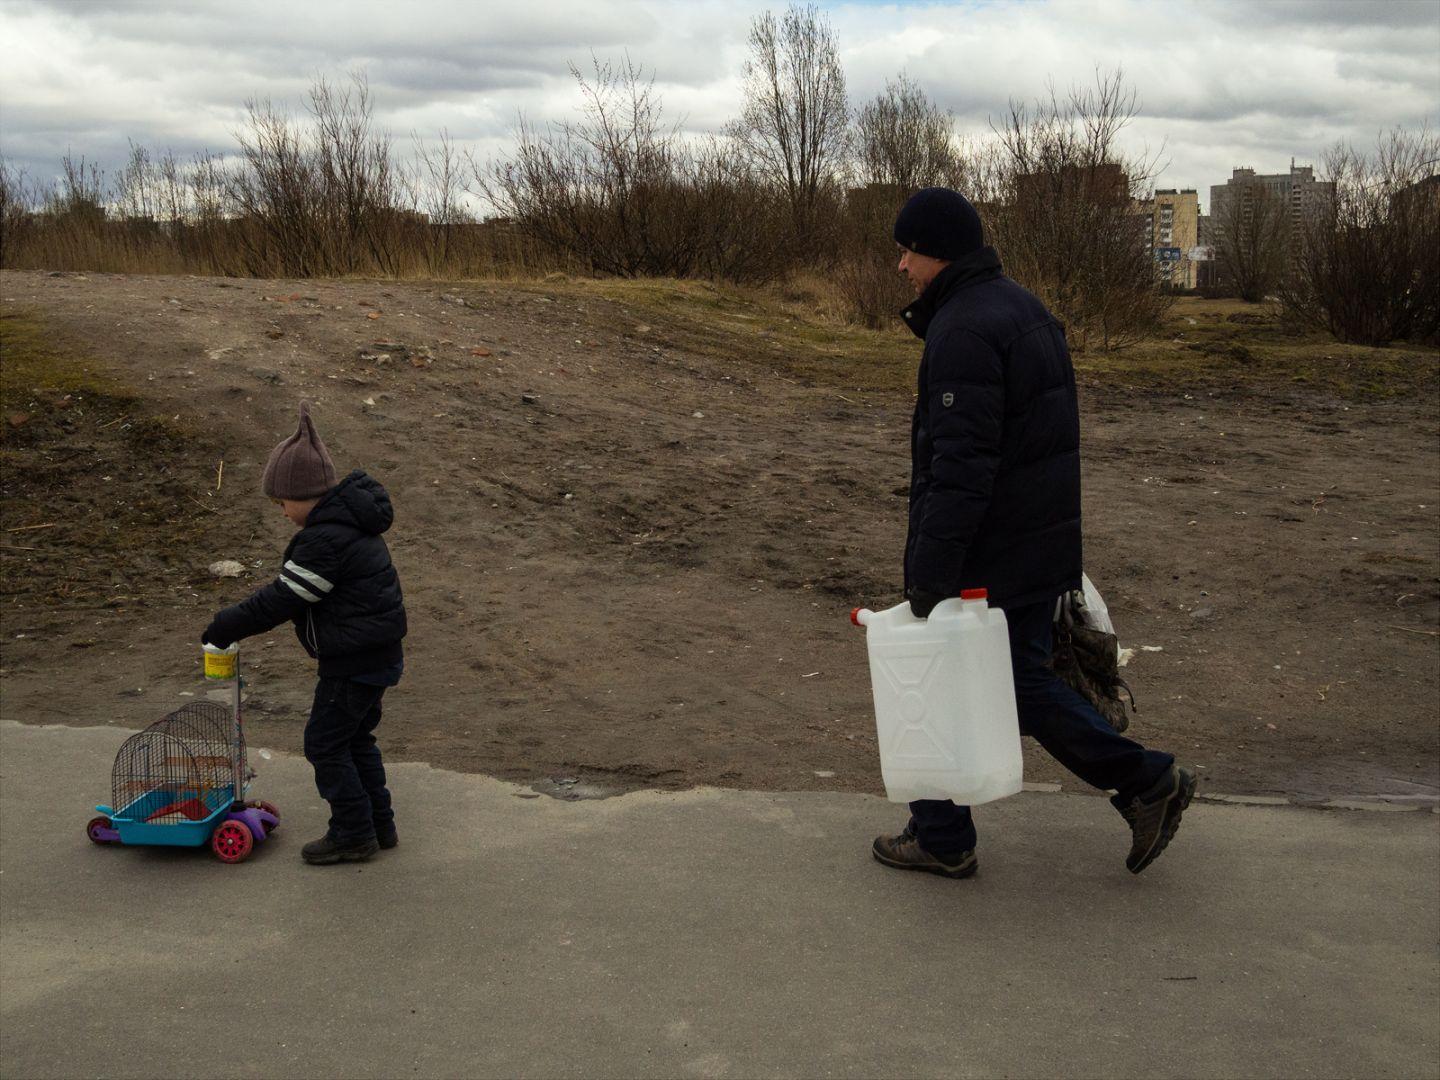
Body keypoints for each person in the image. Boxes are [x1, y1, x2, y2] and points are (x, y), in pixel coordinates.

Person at [871, 188, 1195, 879]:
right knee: (987, 680)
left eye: (908, 251)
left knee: (960, 675)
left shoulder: (962, 330)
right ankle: (941, 829)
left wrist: (931, 571)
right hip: (1038, 543)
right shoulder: (1023, 309)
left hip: (995, 551)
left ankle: (1142, 781)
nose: (901, 267)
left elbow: (961, 468)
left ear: (938, 252)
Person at [202, 402, 407, 866]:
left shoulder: (326, 539)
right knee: (355, 740)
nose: (281, 513)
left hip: (353, 662)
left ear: (306, 494)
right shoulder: (348, 526)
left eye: (282, 503)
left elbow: (283, 598)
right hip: (374, 656)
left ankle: (353, 833)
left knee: (324, 743)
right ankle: (379, 824)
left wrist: (226, 623)